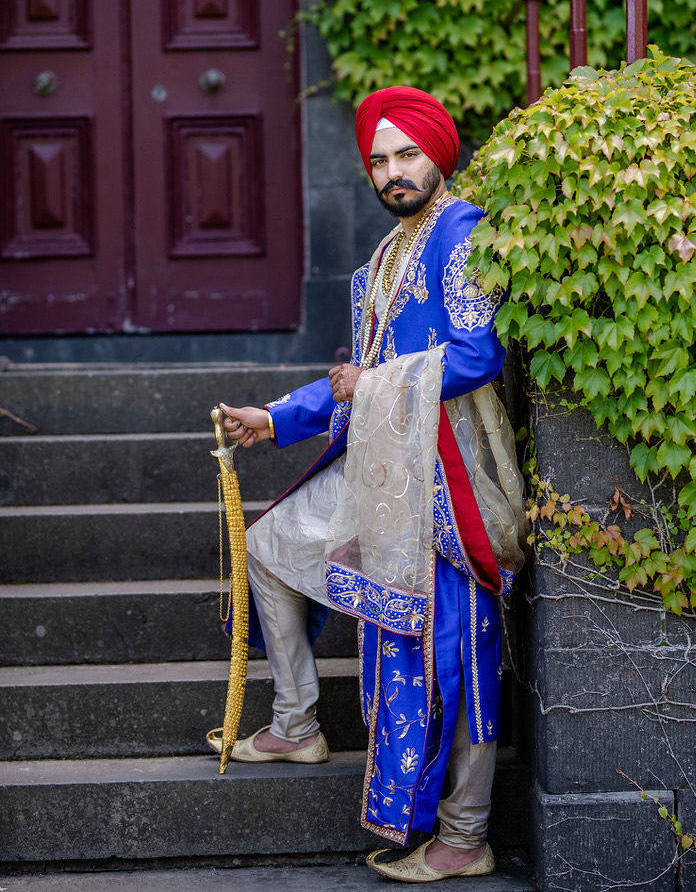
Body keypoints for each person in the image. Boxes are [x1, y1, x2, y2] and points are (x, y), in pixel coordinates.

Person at [210, 86, 527, 882]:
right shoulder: (382, 260)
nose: (392, 172)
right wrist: (277, 417)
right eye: (379, 160)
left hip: (447, 477)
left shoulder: (462, 231)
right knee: (270, 545)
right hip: (382, 466)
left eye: (407, 154)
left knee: (453, 648)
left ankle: (465, 836)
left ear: (439, 155)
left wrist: (372, 385)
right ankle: (295, 722)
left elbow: (477, 355)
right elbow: (355, 378)